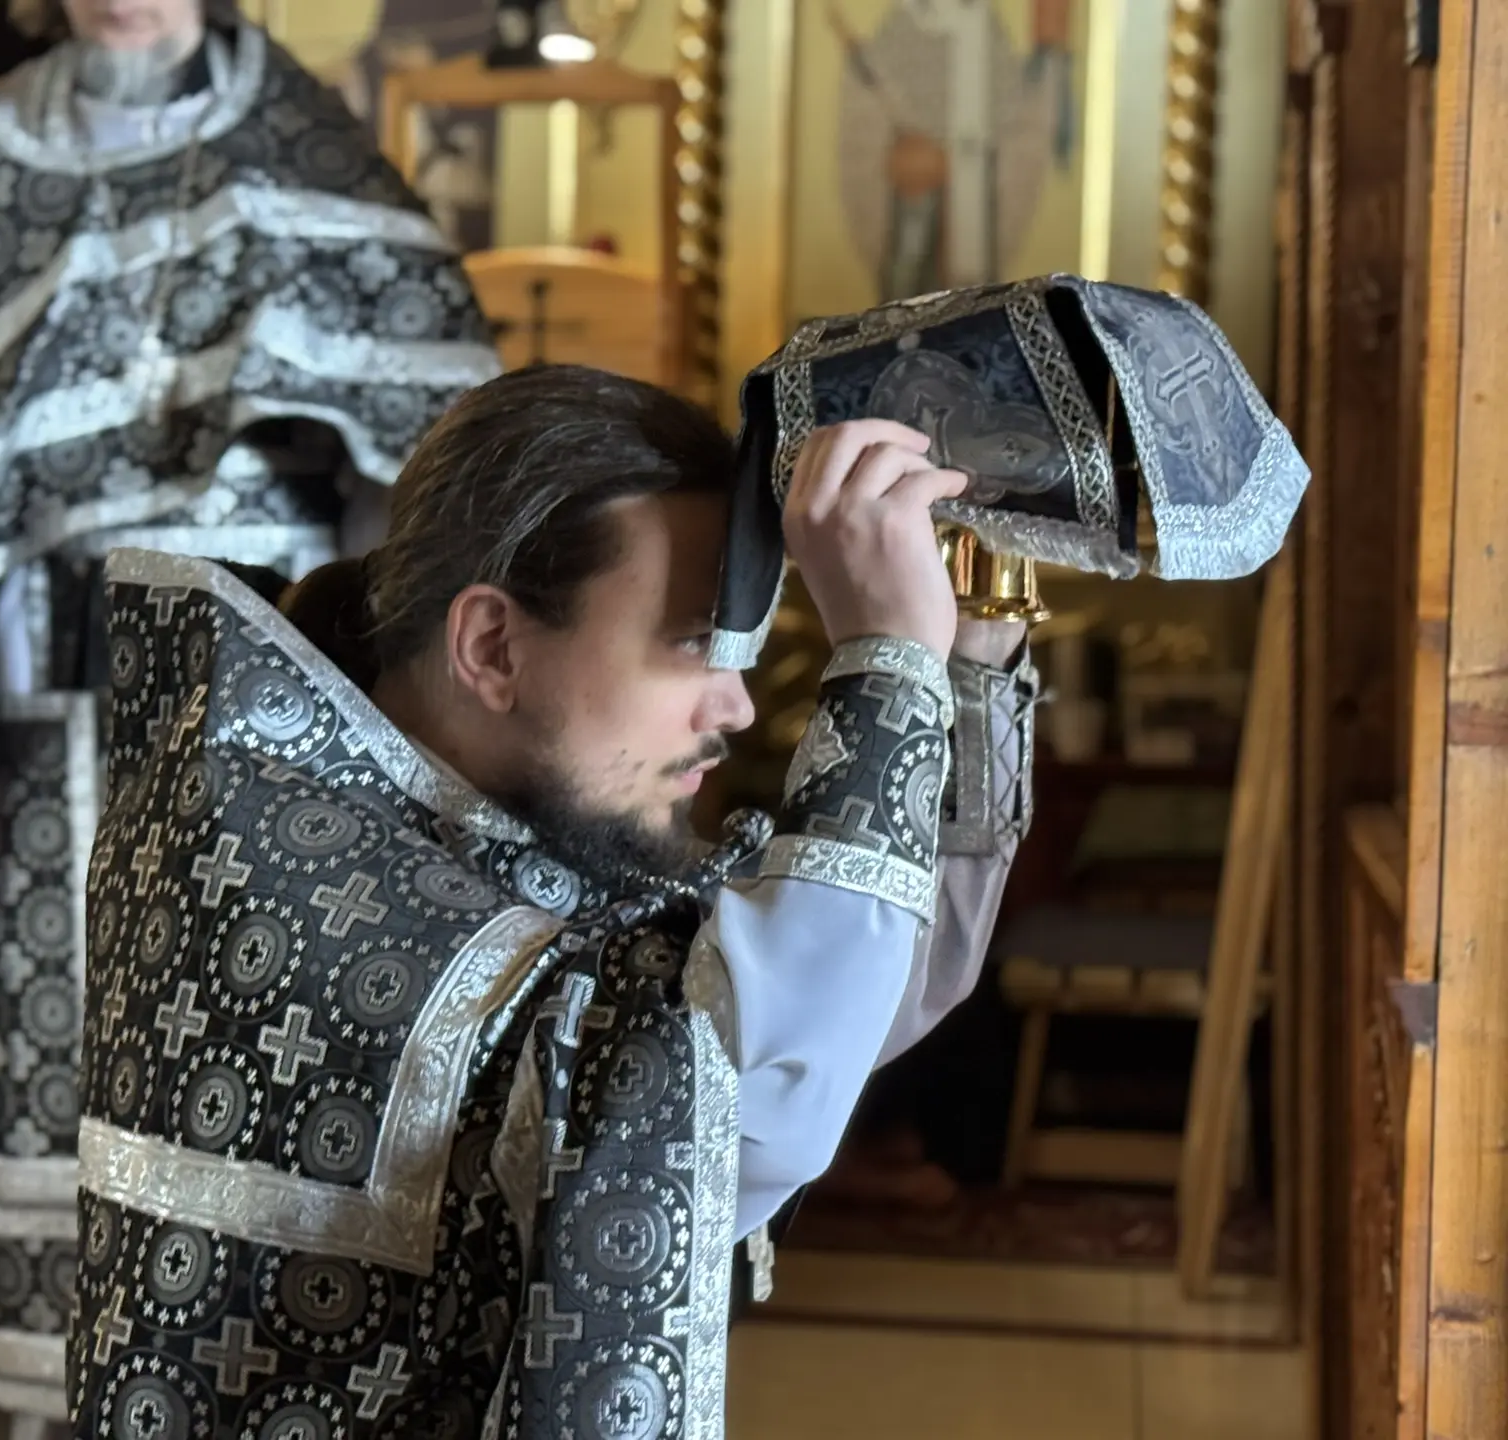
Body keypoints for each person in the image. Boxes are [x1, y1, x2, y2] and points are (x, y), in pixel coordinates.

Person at [0, 1, 499, 1435]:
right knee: (49, 1086)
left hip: (271, 733)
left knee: (250, 1084)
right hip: (46, 744)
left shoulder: (310, 152)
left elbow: (438, 471)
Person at [69, 364, 1036, 1438]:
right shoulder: (262, 842)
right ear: (492, 646)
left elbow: (855, 1010)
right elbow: (749, 1091)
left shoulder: (471, 811)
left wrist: (970, 654)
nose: (735, 707)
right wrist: (888, 666)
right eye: (695, 644)